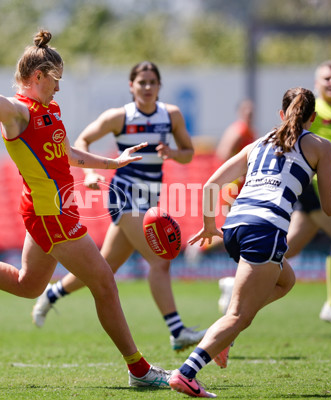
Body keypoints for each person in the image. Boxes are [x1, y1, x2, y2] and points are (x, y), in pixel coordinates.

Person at [0, 15, 171, 388]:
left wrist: (111, 163)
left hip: (46, 211)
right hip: (51, 213)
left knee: (29, 286)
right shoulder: (19, 110)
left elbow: (67, 153)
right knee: (104, 282)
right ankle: (139, 370)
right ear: (38, 75)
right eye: (56, 80)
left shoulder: (50, 111)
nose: (58, 88)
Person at [169, 87, 331, 397]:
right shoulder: (321, 145)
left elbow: (213, 183)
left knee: (286, 280)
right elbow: (329, 208)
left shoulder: (259, 143)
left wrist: (210, 226)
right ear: (313, 118)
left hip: (236, 227)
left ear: (281, 114)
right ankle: (187, 372)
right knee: (239, 316)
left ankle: (225, 333)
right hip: (265, 230)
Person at [31, 61, 205, 352]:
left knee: (104, 267)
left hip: (150, 199)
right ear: (131, 86)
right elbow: (83, 139)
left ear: (159, 86)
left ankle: (53, 293)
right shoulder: (120, 116)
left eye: (152, 82)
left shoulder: (171, 115)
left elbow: (188, 153)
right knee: (160, 259)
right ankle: (177, 331)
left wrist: (174, 152)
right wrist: (89, 172)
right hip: (123, 196)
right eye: (142, 82)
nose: (147, 87)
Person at [217, 61, 331, 326]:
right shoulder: (310, 109)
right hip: (311, 185)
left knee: (288, 248)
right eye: (326, 78)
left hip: (318, 187)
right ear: (317, 84)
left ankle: (235, 285)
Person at [183, 99, 257, 274]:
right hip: (234, 186)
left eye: (252, 111)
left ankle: (203, 248)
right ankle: (199, 248)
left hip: (241, 185)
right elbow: (223, 154)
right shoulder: (238, 131)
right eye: (247, 111)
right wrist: (238, 171)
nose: (250, 115)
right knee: (237, 228)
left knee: (238, 227)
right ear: (240, 112)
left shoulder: (248, 131)